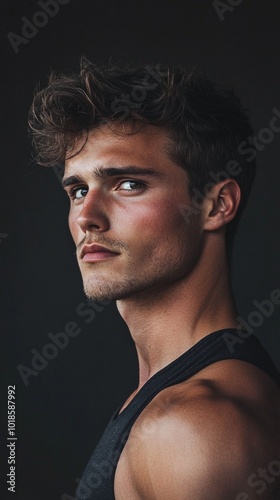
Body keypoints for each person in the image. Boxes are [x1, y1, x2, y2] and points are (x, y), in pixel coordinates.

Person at [29, 58, 280, 500]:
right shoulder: (170, 396)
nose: (87, 216)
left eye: (127, 184)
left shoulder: (192, 427)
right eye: (78, 190)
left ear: (217, 205)